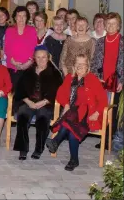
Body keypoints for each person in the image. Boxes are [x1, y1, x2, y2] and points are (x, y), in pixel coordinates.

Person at [46, 54, 108, 171]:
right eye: (78, 64)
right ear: (74, 65)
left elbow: (103, 100)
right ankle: (74, 160)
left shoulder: (92, 79)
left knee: (71, 122)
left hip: (88, 114)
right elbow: (60, 94)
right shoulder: (69, 77)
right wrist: (67, 104)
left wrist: (98, 113)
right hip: (72, 113)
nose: (80, 66)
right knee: (71, 127)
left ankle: (56, 141)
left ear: (87, 66)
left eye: (83, 64)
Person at [13, 46, 63, 160]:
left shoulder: (55, 74)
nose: (41, 60)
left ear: (48, 58)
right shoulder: (28, 72)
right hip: (28, 102)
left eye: (44, 57)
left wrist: (44, 102)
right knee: (22, 118)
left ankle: (38, 149)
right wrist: (28, 102)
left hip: (46, 103)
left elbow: (58, 92)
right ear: (34, 58)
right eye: (38, 57)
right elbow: (19, 89)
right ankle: (23, 149)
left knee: (42, 120)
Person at [90, 12, 123, 149]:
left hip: (118, 82)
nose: (110, 26)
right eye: (108, 23)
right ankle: (104, 138)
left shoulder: (122, 42)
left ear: (119, 26)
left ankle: (112, 140)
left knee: (114, 112)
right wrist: (96, 77)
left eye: (114, 24)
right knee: (103, 109)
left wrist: (122, 81)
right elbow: (94, 63)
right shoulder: (99, 42)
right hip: (102, 82)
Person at [4, 6, 38, 88]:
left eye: (24, 16)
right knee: (14, 93)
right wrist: (13, 61)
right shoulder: (9, 30)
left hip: (28, 67)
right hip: (13, 67)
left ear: (27, 18)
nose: (21, 18)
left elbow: (34, 48)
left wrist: (28, 62)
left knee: (27, 93)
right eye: (19, 16)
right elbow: (7, 48)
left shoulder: (32, 30)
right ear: (15, 18)